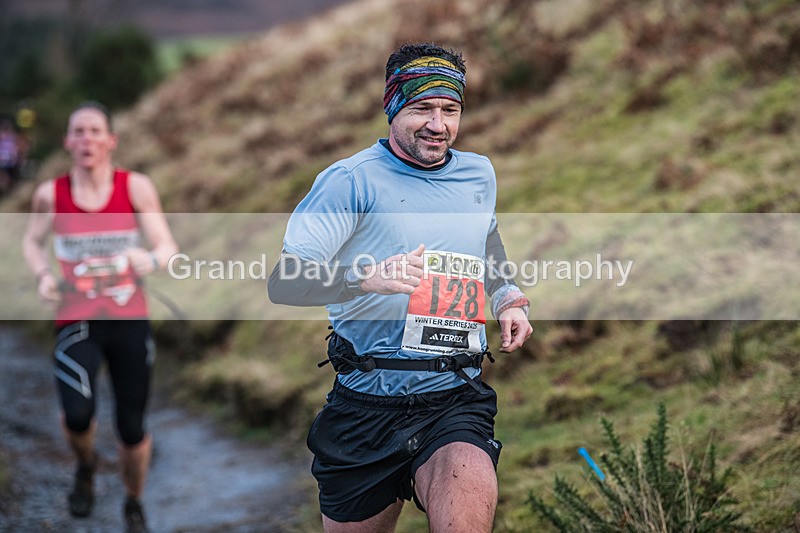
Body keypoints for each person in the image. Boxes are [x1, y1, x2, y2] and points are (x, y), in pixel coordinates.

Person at [268, 43, 533, 532]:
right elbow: (284, 282)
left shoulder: (479, 174)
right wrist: (361, 278)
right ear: (393, 107)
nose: (438, 124)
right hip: (365, 406)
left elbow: (485, 240)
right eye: (422, 109)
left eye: (450, 110)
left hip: (453, 396)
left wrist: (507, 297)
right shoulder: (348, 182)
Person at [22, 101, 178, 533]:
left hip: (129, 319)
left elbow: (167, 247)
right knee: (76, 414)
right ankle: (87, 464)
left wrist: (148, 258)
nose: (86, 139)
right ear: (67, 141)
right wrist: (42, 275)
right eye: (78, 131)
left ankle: (133, 502)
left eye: (95, 131)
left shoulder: (135, 187)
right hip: (75, 318)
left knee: (131, 427)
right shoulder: (50, 195)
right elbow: (33, 242)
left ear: (111, 140)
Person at [0, 117, 21, 191]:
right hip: (3, 162)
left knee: (13, 177)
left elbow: (16, 148)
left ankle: (12, 189)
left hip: (11, 162)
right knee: (4, 177)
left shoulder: (13, 137)